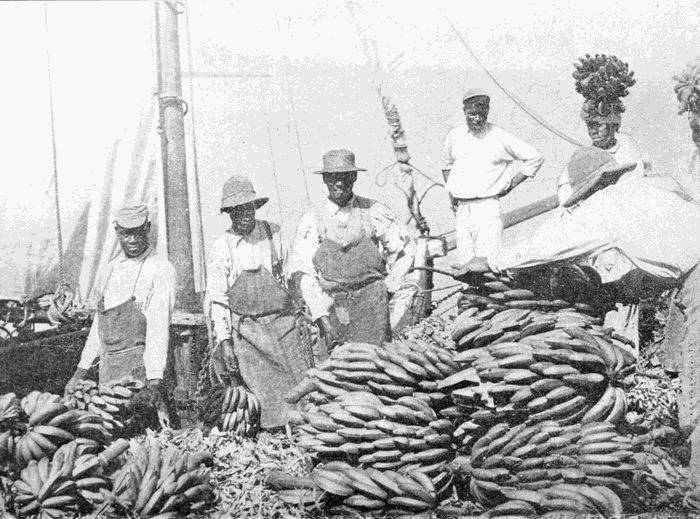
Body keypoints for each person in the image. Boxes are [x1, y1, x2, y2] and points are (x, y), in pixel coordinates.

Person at [457, 146, 700, 488]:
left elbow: (548, 246)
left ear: (590, 188)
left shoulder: (605, 206)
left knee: (697, 399)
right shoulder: (645, 192)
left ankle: (696, 491)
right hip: (692, 278)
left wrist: (491, 261)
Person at [207, 175, 312, 430]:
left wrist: (306, 310)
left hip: (283, 326)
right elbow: (218, 301)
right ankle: (277, 440)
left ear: (255, 207)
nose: (244, 215)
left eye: (248, 207)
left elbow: (294, 274)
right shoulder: (222, 248)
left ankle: (306, 436)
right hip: (249, 334)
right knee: (267, 402)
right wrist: (225, 343)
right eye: (237, 210)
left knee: (303, 392)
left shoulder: (273, 234)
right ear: (229, 213)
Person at [64, 204, 178, 427]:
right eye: (126, 233)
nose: (133, 239)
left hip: (140, 375)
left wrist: (154, 380)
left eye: (138, 231)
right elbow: (99, 327)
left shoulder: (160, 269)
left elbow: (158, 328)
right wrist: (79, 372)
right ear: (117, 231)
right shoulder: (108, 271)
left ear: (148, 228)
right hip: (108, 375)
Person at [288, 149, 414, 351]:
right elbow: (303, 272)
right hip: (332, 307)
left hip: (373, 306)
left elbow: (404, 250)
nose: (339, 183)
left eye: (345, 176)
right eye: (333, 177)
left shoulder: (373, 211)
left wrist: (388, 288)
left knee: (377, 364)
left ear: (354, 177)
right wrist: (321, 315)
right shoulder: (312, 220)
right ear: (325, 180)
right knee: (341, 370)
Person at [441, 88, 544, 268]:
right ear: (464, 111)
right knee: (465, 264)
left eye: (482, 114)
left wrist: (511, 185)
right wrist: (452, 194)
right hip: (462, 210)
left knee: (486, 264)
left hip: (487, 208)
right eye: (472, 114)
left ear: (487, 111)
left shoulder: (499, 135)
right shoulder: (454, 136)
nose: (478, 119)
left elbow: (534, 157)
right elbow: (446, 166)